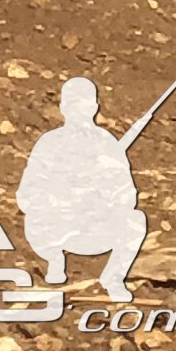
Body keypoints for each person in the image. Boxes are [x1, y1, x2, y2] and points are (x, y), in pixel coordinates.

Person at [17, 76, 152, 301]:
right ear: (63, 109)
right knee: (36, 217)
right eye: (74, 106)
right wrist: (61, 199)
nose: (80, 112)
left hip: (93, 227)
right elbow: (27, 193)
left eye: (85, 105)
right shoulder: (49, 143)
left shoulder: (107, 143)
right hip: (57, 228)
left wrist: (104, 200)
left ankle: (114, 278)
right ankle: (54, 260)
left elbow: (127, 193)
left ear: (95, 107)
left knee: (135, 220)